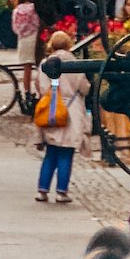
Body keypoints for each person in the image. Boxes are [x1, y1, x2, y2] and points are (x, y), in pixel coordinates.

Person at [34, 58, 90, 204]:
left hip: (51, 109)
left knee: (50, 154)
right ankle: (61, 192)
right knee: (66, 153)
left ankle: (42, 190)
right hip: (71, 112)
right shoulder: (75, 63)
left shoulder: (45, 63)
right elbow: (84, 88)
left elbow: (40, 86)